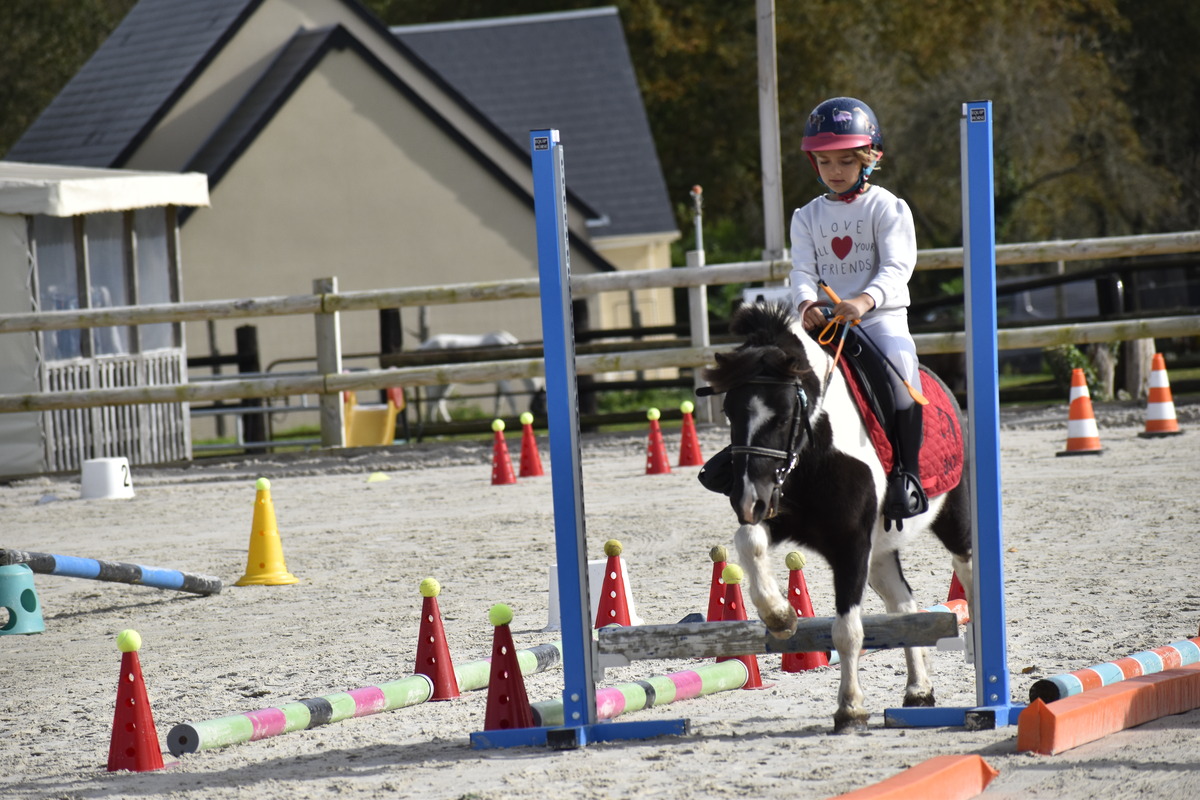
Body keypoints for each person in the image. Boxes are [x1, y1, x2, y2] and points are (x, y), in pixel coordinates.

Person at [788, 96, 927, 522]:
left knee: (904, 376)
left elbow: (898, 266)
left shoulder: (888, 207)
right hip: (825, 323)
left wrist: (864, 301)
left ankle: (907, 475)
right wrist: (806, 302)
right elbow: (801, 270)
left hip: (879, 318)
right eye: (825, 162)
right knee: (774, 366)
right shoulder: (806, 216)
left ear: (869, 158)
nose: (835, 172)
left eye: (846, 161)